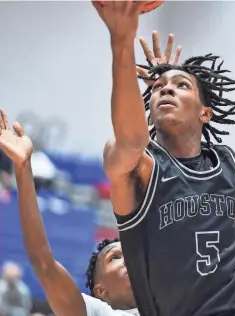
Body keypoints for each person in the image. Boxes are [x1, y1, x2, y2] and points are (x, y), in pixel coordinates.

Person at [93, 1, 235, 316]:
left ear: (205, 112)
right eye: (157, 88)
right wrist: (122, 43)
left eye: (180, 86)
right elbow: (131, 138)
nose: (165, 90)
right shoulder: (139, 168)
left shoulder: (231, 167)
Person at [0, 30, 182, 316]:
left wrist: (158, 95)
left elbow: (166, 179)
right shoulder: (94, 311)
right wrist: (23, 169)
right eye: (115, 258)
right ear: (100, 291)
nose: (129, 259)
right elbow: (43, 262)